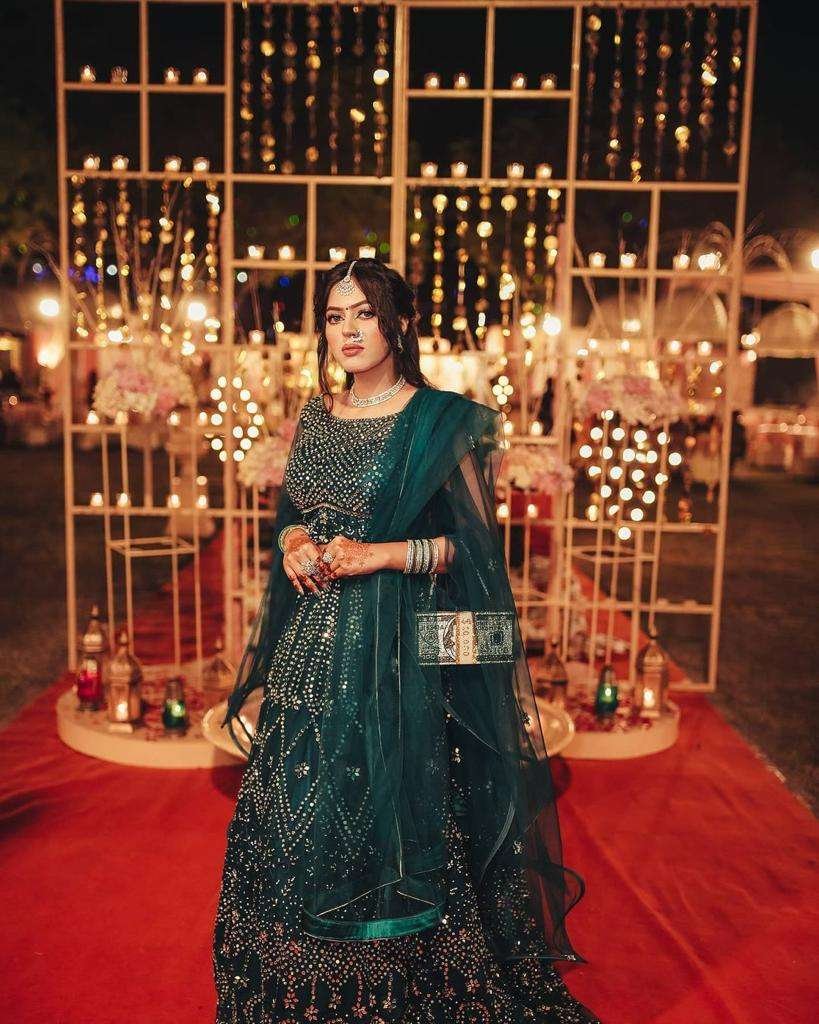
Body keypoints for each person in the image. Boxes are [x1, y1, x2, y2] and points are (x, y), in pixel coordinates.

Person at [213, 258, 595, 1023]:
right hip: (312, 647)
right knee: (296, 805)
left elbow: (473, 552)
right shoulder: (316, 417)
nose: (348, 331)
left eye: (364, 313)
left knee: (389, 807)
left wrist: (380, 555)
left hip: (396, 653)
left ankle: (391, 981)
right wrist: (293, 544)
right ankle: (298, 983)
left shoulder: (441, 422)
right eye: (334, 317)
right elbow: (294, 515)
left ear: (400, 322)